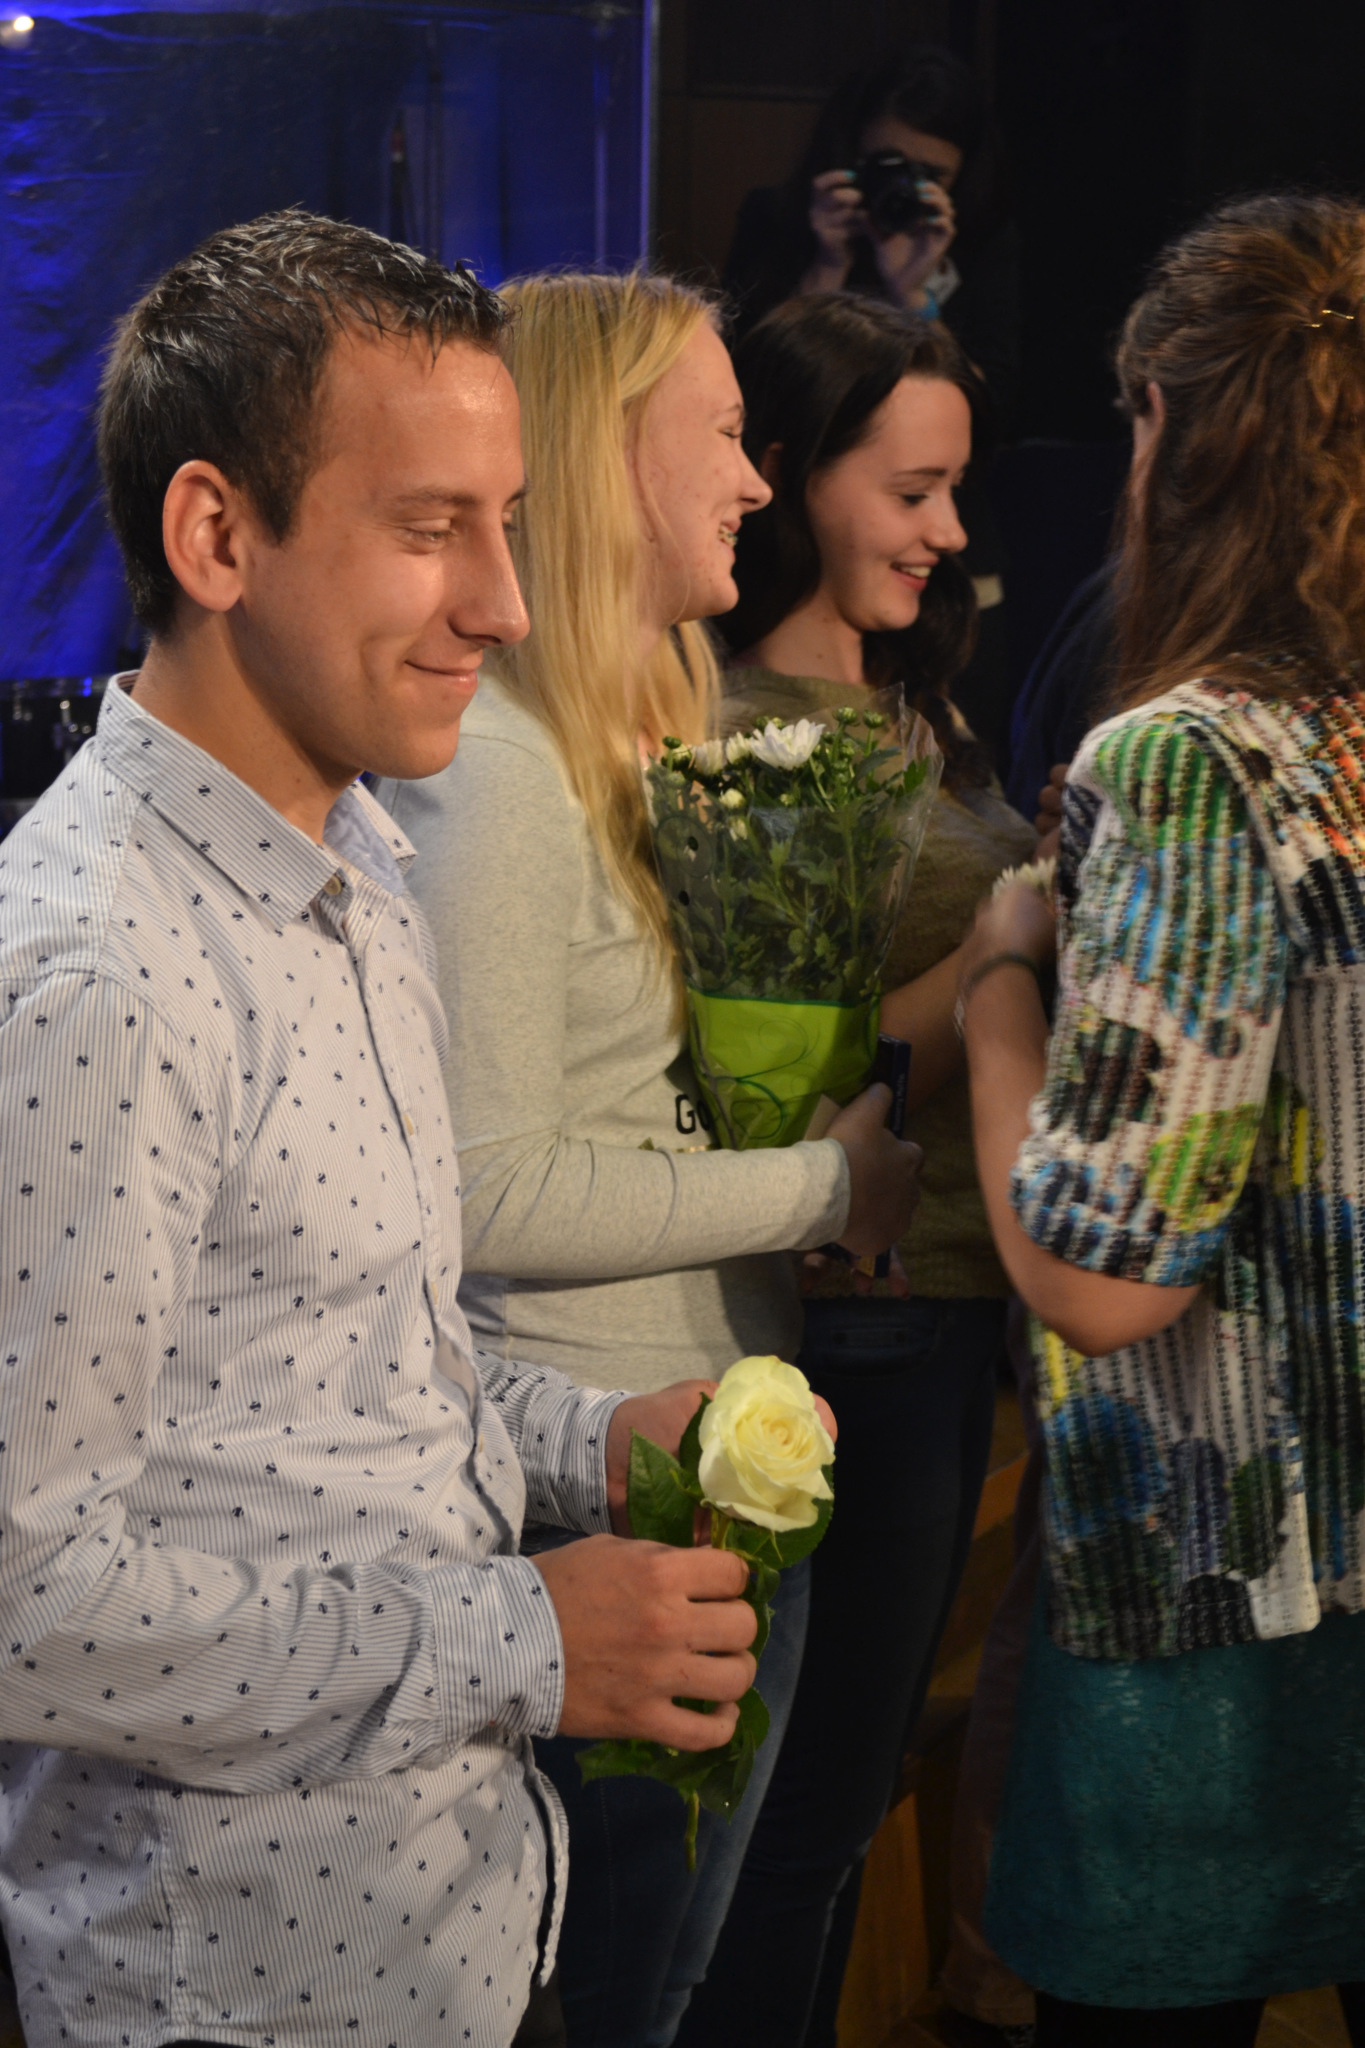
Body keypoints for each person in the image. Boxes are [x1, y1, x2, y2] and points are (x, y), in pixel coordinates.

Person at [0, 209, 769, 2048]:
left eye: (506, 523)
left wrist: (588, 1439)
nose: (504, 604)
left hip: (455, 1916)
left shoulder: (352, 854)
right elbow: (26, 1605)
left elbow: (339, 1373)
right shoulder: (100, 970)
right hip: (243, 1983)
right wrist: (532, 1638)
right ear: (216, 537)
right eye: (432, 529)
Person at [373, 271, 920, 2048]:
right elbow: (489, 1190)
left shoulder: (638, 736)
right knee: (618, 1999)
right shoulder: (500, 770)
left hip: (712, 1453)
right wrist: (826, 1186)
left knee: (675, 1984)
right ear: (605, 455)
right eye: (727, 436)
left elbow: (634, 1116)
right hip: (599, 1480)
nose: (759, 482)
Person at [958, 193, 1365, 2048]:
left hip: (1227, 1614)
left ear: (1173, 434)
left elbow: (1103, 1282)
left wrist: (1001, 983)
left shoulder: (1188, 760)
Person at [671, 290, 1037, 2048]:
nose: (947, 530)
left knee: (835, 1809)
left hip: (946, 1297)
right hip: (853, 1313)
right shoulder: (733, 729)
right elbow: (801, 1067)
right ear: (791, 474)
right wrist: (1008, 947)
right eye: (908, 491)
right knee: (793, 1825)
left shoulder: (906, 700)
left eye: (954, 489)